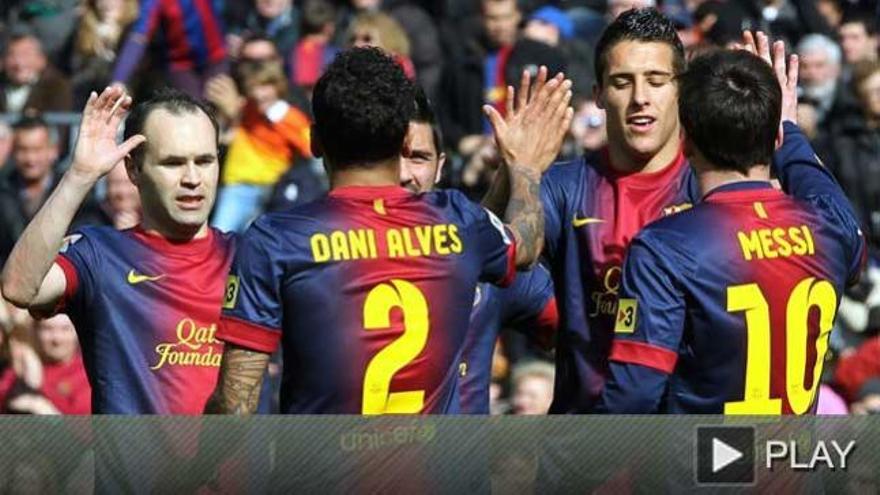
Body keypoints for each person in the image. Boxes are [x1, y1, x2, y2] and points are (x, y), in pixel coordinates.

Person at [483, 9, 825, 414]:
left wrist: (772, 125)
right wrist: (516, 169)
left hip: (686, 453)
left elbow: (821, 228)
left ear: (681, 90)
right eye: (622, 82)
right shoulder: (564, 186)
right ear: (597, 94)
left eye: (656, 81)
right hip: (582, 446)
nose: (640, 97)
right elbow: (495, 255)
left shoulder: (716, 186)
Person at [205, 47, 572, 414]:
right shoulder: (459, 220)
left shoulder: (274, 240)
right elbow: (526, 242)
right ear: (404, 143)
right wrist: (524, 166)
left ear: (314, 141)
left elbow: (236, 404)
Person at [598, 43, 865, 413]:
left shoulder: (665, 247)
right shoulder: (830, 228)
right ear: (775, 140)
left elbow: (633, 395)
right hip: (797, 464)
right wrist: (790, 130)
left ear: (685, 141)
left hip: (702, 468)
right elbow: (827, 196)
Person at [1, 86, 236, 414]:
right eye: (173, 163)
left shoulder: (249, 258)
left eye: (205, 161)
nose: (193, 178)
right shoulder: (101, 255)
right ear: (133, 170)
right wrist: (79, 176)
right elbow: (19, 287)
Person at [400, 88, 557, 414]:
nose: (404, 175)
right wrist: (522, 167)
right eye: (392, 158)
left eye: (418, 157)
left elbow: (579, 334)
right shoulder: (330, 250)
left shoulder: (488, 269)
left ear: (440, 167)